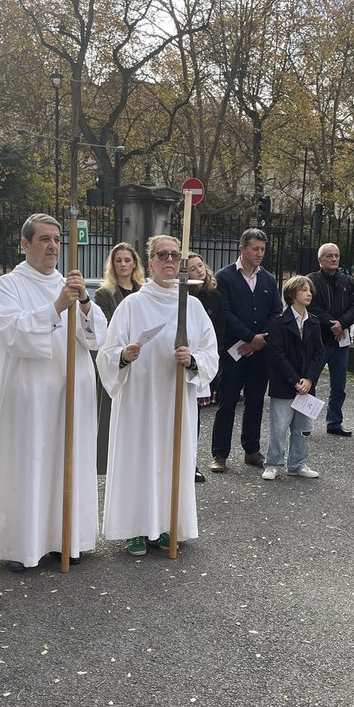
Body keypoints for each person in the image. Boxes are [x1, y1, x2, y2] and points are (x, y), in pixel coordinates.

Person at [0, 213, 107, 571]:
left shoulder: (70, 283)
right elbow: (11, 332)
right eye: (44, 239)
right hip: (30, 392)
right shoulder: (9, 285)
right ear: (24, 244)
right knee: (30, 460)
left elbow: (96, 336)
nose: (53, 245)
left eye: (56, 239)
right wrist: (57, 307)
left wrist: (83, 302)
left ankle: (66, 538)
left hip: (71, 389)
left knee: (70, 458)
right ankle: (23, 545)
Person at [98, 235, 218, 556]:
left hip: (174, 400)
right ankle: (134, 528)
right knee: (138, 458)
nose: (168, 260)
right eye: (161, 254)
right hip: (138, 399)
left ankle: (167, 523)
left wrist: (192, 360)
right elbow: (107, 353)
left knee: (170, 459)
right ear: (149, 262)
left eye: (174, 255)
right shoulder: (132, 305)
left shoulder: (191, 306)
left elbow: (211, 353)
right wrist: (124, 355)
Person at [210, 228, 282, 472]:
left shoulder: (268, 279)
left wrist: (259, 340)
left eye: (262, 249)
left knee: (255, 402)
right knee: (227, 402)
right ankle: (220, 454)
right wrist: (249, 337)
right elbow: (225, 313)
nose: (260, 253)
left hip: (260, 352)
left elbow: (276, 312)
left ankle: (251, 450)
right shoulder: (225, 277)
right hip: (233, 351)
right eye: (255, 249)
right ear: (242, 249)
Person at [262, 275, 325, 480]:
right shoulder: (279, 322)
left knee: (303, 428)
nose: (309, 294)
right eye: (304, 290)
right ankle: (273, 464)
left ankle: (298, 463)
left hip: (306, 385)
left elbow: (319, 353)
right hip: (284, 385)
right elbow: (277, 354)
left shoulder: (314, 322)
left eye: (310, 290)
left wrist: (309, 379)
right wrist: (295, 379)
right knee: (279, 427)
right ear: (291, 294)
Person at [93, 243, 144, 474]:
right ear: (112, 265)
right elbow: (106, 328)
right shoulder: (104, 293)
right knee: (112, 411)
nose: (123, 264)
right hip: (118, 357)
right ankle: (110, 461)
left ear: (135, 263)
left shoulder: (144, 291)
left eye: (127, 260)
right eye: (118, 260)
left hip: (143, 357)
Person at [306, 242, 354, 436]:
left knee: (339, 385)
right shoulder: (310, 281)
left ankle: (334, 422)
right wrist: (332, 323)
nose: (333, 259)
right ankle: (305, 423)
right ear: (320, 259)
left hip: (341, 341)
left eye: (336, 255)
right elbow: (311, 307)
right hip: (318, 340)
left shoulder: (349, 281)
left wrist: (342, 324)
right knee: (309, 381)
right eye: (329, 256)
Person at [187, 253, 223, 482]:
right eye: (192, 268)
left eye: (200, 265)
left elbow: (217, 332)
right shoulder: (183, 297)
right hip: (182, 360)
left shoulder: (215, 297)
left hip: (200, 362)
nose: (199, 270)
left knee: (194, 416)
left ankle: (191, 462)